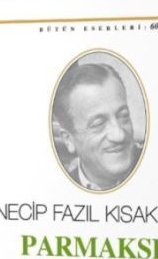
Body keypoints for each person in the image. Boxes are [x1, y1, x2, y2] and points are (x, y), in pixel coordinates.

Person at [52, 62, 143, 191]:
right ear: (68, 140)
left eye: (123, 116)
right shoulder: (59, 191)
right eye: (98, 124)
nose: (119, 135)